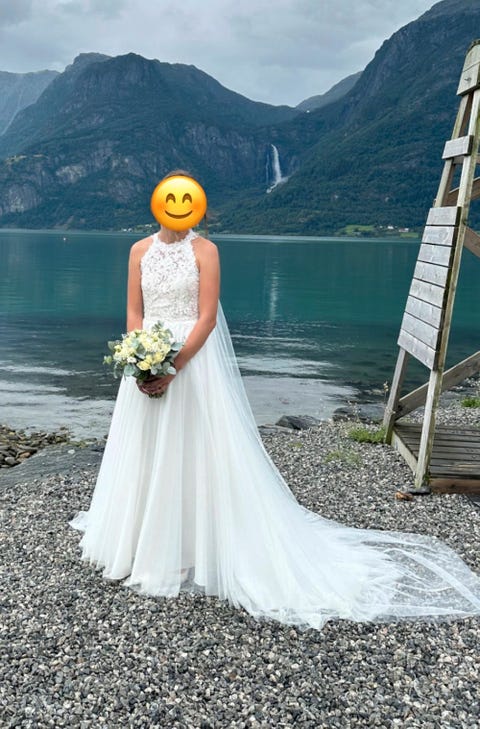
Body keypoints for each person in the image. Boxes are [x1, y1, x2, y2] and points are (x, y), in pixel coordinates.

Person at [70, 172, 480, 631]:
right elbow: (134, 311)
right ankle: (138, 538)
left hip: (190, 363)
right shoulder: (138, 251)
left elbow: (207, 318)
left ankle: (189, 546)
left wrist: (174, 365)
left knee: (195, 447)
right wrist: (139, 359)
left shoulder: (206, 251)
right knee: (146, 447)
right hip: (147, 357)